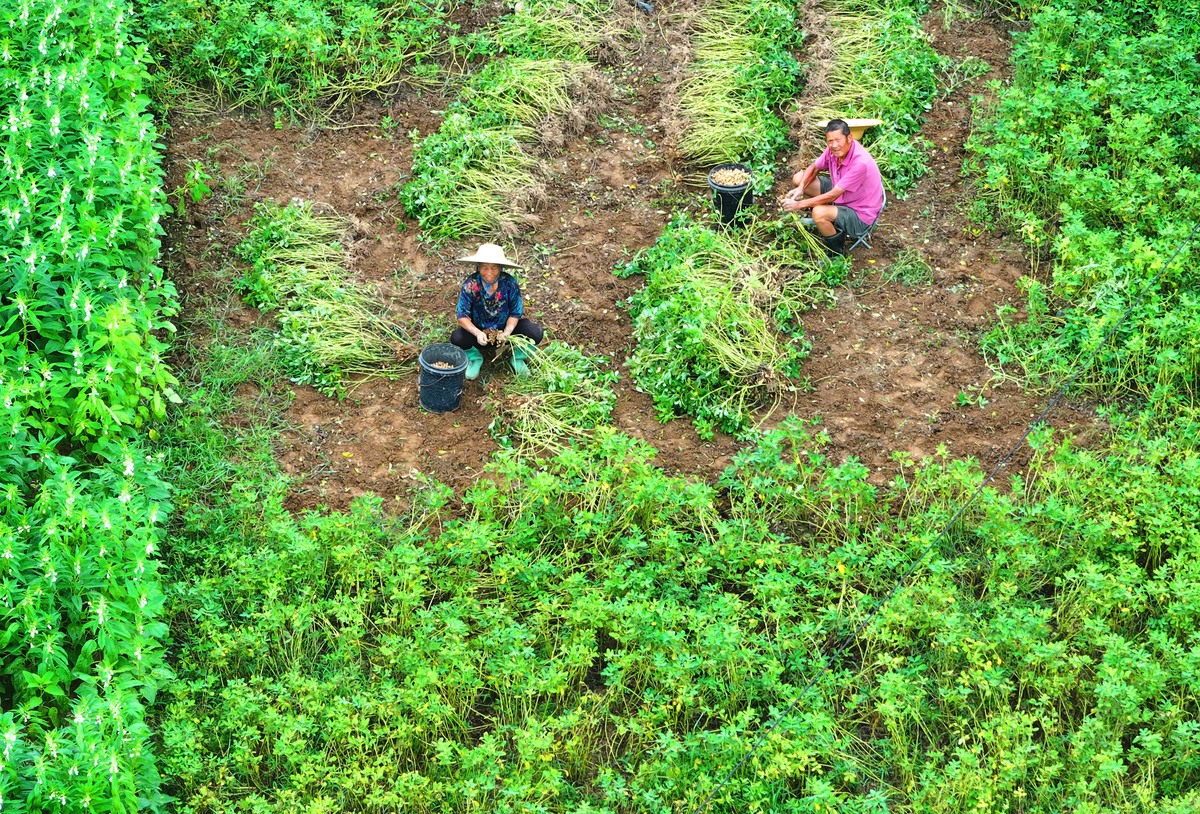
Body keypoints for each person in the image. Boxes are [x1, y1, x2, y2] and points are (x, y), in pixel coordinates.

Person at [781, 119, 885, 256]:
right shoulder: (833, 150)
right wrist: (801, 188)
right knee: (799, 178)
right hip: (844, 194)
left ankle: (836, 254)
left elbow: (833, 195)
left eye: (838, 140)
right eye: (830, 141)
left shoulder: (860, 162)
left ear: (849, 138)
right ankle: (826, 219)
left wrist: (798, 204)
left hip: (859, 214)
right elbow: (814, 168)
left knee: (818, 212)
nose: (834, 145)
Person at [450, 243, 543, 379]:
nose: (489, 273)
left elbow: (515, 312)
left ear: (500, 268)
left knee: (535, 332)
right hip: (480, 333)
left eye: (493, 268)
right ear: (478, 266)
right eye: (484, 268)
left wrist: (507, 332)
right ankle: (475, 358)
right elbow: (462, 315)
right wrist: (477, 333)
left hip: (504, 334)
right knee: (457, 338)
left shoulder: (509, 283)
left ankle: (517, 358)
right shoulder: (470, 285)